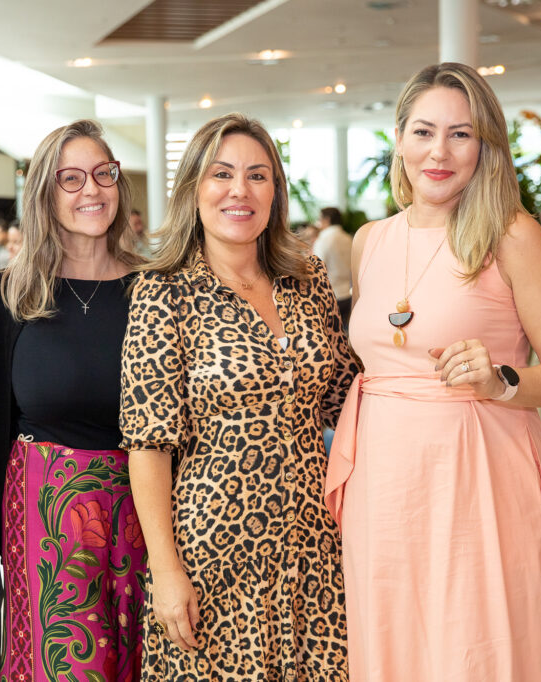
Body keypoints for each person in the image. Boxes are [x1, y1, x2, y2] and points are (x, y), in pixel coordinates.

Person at [325, 63, 541, 681]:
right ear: (399, 138)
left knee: (477, 646)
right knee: (396, 643)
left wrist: (503, 380)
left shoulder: (513, 236)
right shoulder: (371, 240)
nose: (438, 152)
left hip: (478, 475)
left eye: (461, 134)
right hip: (384, 485)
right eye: (423, 132)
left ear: (487, 146)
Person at [120, 112, 357, 680]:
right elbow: (148, 446)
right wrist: (167, 571)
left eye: (257, 175)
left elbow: (347, 396)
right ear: (194, 188)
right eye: (221, 174)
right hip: (213, 548)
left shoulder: (308, 277)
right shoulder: (163, 292)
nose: (239, 191)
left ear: (275, 191)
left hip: (315, 540)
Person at [0, 119, 145, 681]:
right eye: (71, 179)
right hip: (46, 513)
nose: (92, 190)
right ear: (45, 194)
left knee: (143, 662)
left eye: (103, 173)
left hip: (146, 508)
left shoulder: (155, 289)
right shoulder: (10, 294)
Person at [312, 206, 353, 324]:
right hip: (348, 294)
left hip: (330, 296)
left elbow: (316, 269)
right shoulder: (348, 238)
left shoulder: (324, 239)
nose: (318, 223)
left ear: (327, 219)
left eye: (319, 219)